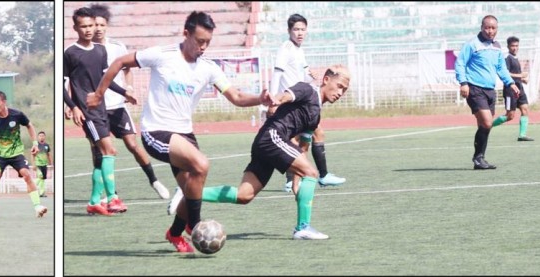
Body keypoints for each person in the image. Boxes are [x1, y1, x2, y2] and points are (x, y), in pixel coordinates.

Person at [91, 11, 276, 252]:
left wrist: (260, 99)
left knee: (192, 187)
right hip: (156, 132)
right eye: (200, 41)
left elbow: (237, 97)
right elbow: (119, 63)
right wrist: (98, 94)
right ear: (186, 34)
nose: (203, 47)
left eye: (208, 42)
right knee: (202, 164)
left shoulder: (208, 68)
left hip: (185, 136)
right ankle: (195, 225)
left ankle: (175, 233)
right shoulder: (162, 55)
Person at [186, 65, 353, 244]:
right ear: (326, 79)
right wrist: (277, 100)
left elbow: (302, 148)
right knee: (312, 173)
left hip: (265, 142)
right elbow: (286, 95)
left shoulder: (316, 115)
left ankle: (188, 191)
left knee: (244, 195)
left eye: (344, 90)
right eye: (339, 86)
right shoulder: (308, 90)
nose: (340, 92)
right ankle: (302, 228)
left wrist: (296, 184)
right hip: (272, 136)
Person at [89, 3, 170, 200]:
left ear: (106, 25)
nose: (98, 28)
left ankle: (154, 180)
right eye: (94, 25)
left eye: (101, 24)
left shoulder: (117, 47)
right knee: (100, 151)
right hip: (95, 108)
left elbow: (126, 70)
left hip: (117, 106)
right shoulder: (84, 50)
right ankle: (109, 193)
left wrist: (129, 88)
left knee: (133, 145)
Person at [64, 7, 133, 216]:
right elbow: (62, 83)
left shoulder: (100, 50)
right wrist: (73, 106)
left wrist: (124, 93)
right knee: (109, 151)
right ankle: (112, 198)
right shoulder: (70, 53)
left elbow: (106, 80)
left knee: (100, 157)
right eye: (83, 26)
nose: (88, 30)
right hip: (87, 112)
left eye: (91, 26)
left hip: (101, 108)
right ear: (75, 27)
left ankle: (94, 201)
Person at [270, 14, 345, 192]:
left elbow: (302, 74)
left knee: (313, 134)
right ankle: (300, 179)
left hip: (301, 98)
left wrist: (312, 76)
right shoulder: (286, 49)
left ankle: (320, 175)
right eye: (296, 29)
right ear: (289, 31)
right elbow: (277, 74)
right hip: (290, 99)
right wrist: (273, 100)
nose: (300, 33)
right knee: (297, 139)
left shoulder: (298, 50)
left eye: (303, 29)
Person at [455, 15, 521, 170]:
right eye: (487, 27)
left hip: (490, 90)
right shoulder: (472, 44)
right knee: (487, 122)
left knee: (485, 125)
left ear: (497, 29)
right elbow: (460, 63)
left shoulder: (497, 46)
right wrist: (463, 83)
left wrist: (510, 83)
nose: (490, 31)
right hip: (474, 88)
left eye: (493, 28)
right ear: (481, 27)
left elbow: (501, 68)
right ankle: (477, 158)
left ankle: (480, 159)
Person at [0, 91, 47, 219]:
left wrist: (35, 143)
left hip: (16, 153)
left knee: (27, 175)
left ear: (4, 102)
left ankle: (38, 206)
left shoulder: (17, 114)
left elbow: (29, 125)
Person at [488, 36, 534, 141]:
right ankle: (488, 125)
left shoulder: (515, 58)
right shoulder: (507, 58)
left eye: (517, 46)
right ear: (508, 46)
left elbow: (515, 75)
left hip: (519, 89)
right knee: (510, 116)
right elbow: (506, 74)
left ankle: (522, 135)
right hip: (510, 91)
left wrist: (522, 80)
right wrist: (521, 76)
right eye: (512, 46)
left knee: (525, 109)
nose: (515, 48)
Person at [32, 131, 52, 197]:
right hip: (38, 164)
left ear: (45, 137)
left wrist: (51, 163)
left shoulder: (46, 145)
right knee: (40, 176)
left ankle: (41, 193)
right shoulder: (36, 145)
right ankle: (32, 186)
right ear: (38, 137)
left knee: (43, 179)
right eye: (40, 136)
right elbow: (32, 155)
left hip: (44, 164)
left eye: (43, 136)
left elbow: (48, 154)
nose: (41, 137)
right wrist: (33, 164)